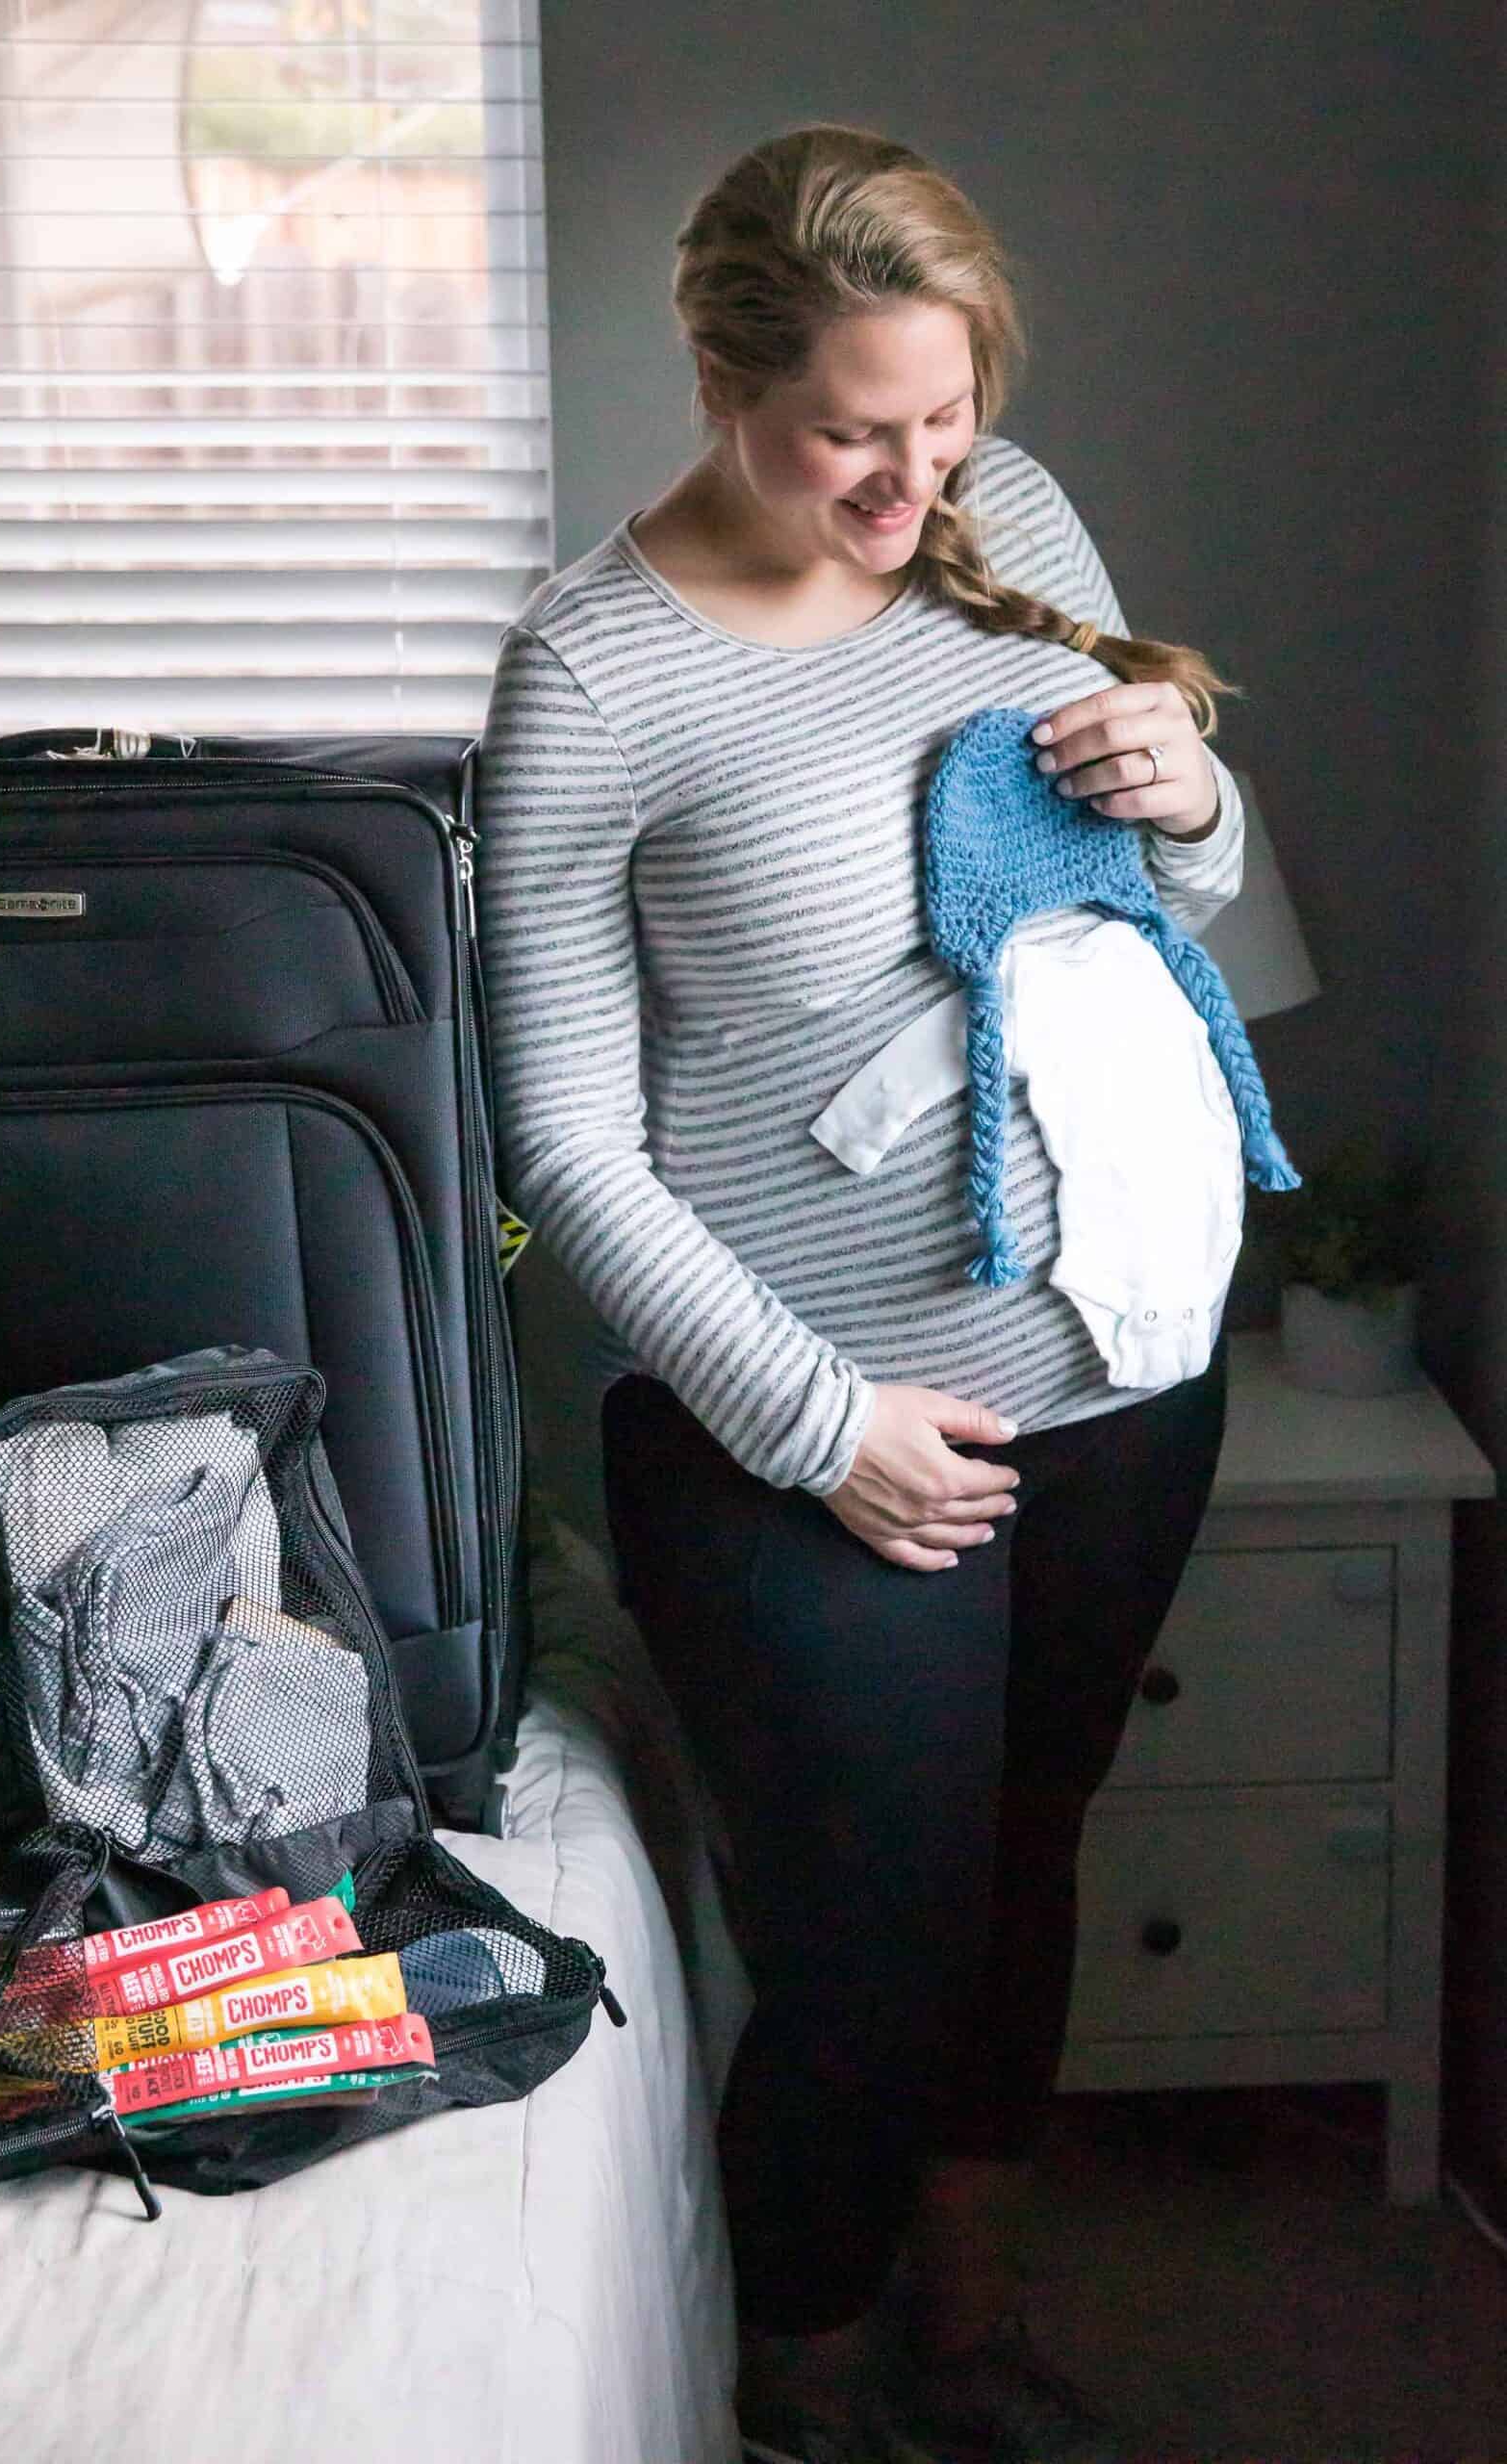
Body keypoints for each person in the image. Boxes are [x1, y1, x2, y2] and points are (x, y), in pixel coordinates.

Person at [475, 121, 1245, 2464]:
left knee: (1031, 1853)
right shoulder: (596, 678)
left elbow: (1147, 943)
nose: (912, 475)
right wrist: (817, 1421)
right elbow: (559, 1148)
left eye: (946, 417)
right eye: (849, 431)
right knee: (863, 1943)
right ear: (719, 377)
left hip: (1115, 1355)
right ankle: (803, 2384)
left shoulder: (1009, 529)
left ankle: (972, 2335)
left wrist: (1188, 796)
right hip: (808, 1430)